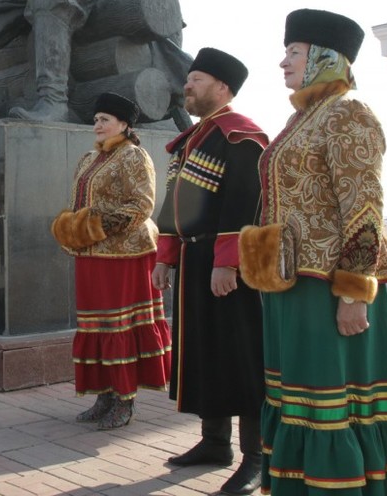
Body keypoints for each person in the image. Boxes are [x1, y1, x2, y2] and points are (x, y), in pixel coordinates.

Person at [239, 9, 387, 494]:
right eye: (286, 52)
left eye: (294, 52)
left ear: (326, 57)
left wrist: (354, 293)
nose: (284, 62)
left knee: (331, 404)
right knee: (297, 400)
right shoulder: (303, 117)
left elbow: (364, 208)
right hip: (292, 286)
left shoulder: (348, 112)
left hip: (329, 288)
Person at [152, 49, 268, 495]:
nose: (187, 86)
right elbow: (175, 205)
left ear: (222, 87)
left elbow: (244, 203)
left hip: (227, 265)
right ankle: (214, 443)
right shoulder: (192, 139)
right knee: (204, 352)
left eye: (196, 79)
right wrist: (166, 254)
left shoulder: (241, 136)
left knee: (240, 358)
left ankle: (256, 458)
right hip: (195, 259)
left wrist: (227, 261)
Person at [51, 92, 171, 430]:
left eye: (105, 119)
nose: (98, 125)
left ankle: (124, 399)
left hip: (125, 254)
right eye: (96, 119)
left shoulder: (134, 155)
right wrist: (72, 229)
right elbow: (77, 202)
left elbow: (142, 204)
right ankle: (103, 394)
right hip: (91, 255)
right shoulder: (90, 158)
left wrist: (97, 228)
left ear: (124, 124)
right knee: (95, 325)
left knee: (120, 326)